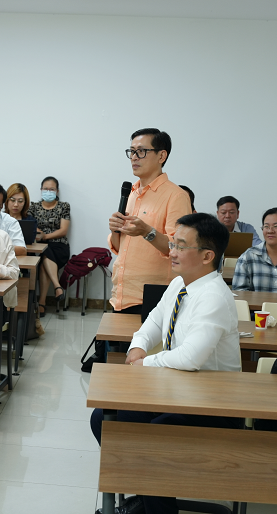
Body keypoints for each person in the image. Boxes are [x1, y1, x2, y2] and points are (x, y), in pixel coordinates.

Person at [90, 213, 241, 514]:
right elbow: (154, 321)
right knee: (104, 418)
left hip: (210, 402)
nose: (171, 252)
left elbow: (190, 357)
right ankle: (148, 496)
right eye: (173, 243)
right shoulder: (179, 284)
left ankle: (153, 502)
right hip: (177, 391)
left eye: (181, 246)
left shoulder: (213, 296)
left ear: (207, 256)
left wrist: (145, 363)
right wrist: (137, 347)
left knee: (153, 434)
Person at [108, 128, 193, 316]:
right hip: (121, 295)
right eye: (131, 151)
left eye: (141, 151)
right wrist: (115, 230)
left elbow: (179, 249)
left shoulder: (176, 196)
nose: (134, 157)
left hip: (153, 299)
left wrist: (147, 231)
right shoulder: (131, 193)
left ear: (161, 156)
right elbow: (120, 247)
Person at [28, 176, 70, 333]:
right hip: (39, 246)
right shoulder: (33, 207)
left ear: (57, 191)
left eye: (51, 189)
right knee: (43, 254)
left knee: (45, 253)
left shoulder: (64, 206)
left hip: (59, 246)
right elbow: (31, 225)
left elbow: (63, 230)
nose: (48, 191)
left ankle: (43, 302)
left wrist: (45, 236)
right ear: (41, 190)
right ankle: (55, 288)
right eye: (45, 188)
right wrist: (38, 234)